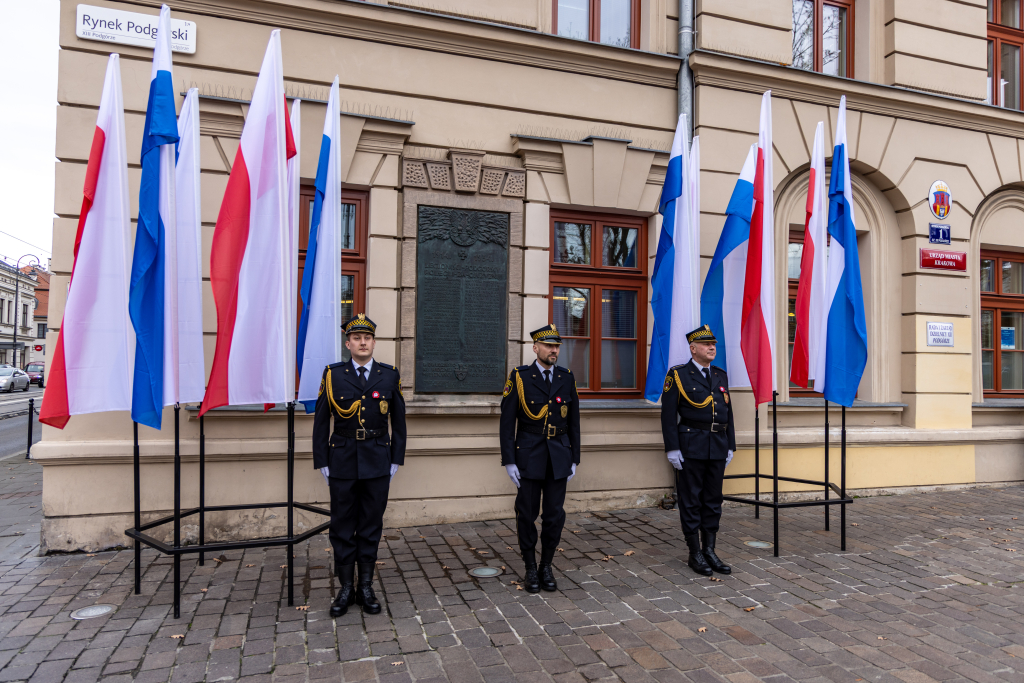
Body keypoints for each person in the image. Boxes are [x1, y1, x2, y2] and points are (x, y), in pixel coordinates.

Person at [313, 314, 406, 617]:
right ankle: (345, 588)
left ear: (374, 343)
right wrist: (322, 460)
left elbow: (400, 423)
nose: (362, 342)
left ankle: (365, 585)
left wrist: (395, 458)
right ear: (348, 343)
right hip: (341, 460)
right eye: (356, 338)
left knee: (370, 525)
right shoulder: (333, 375)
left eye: (367, 338)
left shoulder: (389, 375)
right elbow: (320, 421)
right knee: (342, 526)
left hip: (378, 460)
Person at [500, 324, 580, 593]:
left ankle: (546, 565)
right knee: (527, 514)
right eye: (548, 345)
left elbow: (575, 422)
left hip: (558, 455)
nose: (554, 350)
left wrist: (574, 458)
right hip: (529, 455)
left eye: (556, 346)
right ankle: (530, 567)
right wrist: (509, 460)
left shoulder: (566, 378)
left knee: (555, 515)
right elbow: (507, 422)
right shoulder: (520, 377)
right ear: (536, 348)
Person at [660, 324, 735, 577]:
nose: (712, 347)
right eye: (706, 344)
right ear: (693, 349)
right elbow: (668, 415)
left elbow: (728, 412)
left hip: (717, 445)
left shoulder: (720, 375)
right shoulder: (678, 375)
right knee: (691, 500)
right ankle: (695, 552)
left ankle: (710, 550)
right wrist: (672, 448)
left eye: (713, 344)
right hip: (691, 445)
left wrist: (731, 444)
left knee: (713, 500)